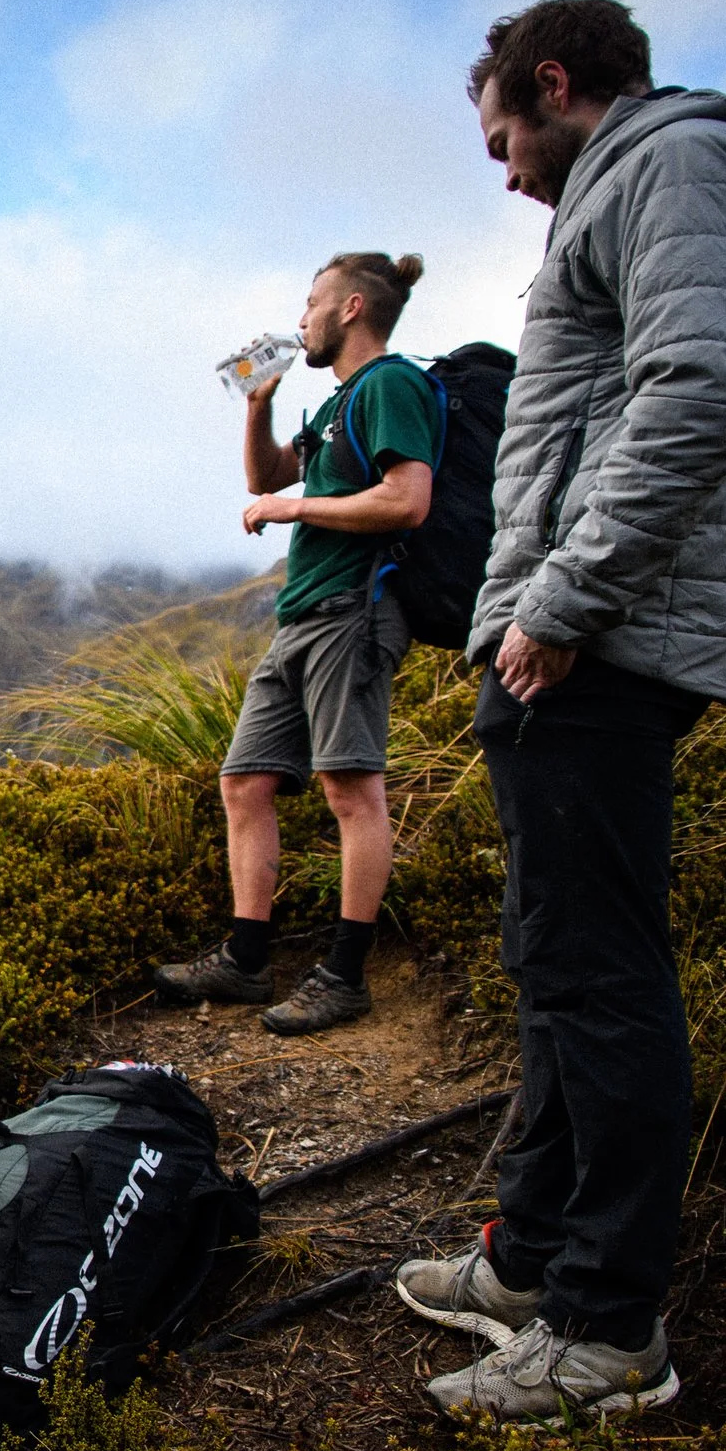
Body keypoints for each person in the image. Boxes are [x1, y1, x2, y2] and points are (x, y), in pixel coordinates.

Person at [396, 0, 726, 1422]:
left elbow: (697, 394)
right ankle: (533, 1255)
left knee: (598, 970)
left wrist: (564, 599)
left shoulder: (672, 166)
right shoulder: (641, 182)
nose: (501, 167)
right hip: (583, 635)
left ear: (556, 84)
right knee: (555, 951)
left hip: (603, 640)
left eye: (501, 135)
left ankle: (606, 1327)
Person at [153, 252, 441, 1034]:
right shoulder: (339, 403)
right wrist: (257, 406)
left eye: (311, 302)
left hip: (355, 608)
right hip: (304, 615)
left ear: (351, 308)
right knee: (245, 782)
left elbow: (407, 499)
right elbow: (265, 477)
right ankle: (247, 960)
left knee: (351, 790)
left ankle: (345, 976)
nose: (301, 317)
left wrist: (297, 511)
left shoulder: (390, 385)